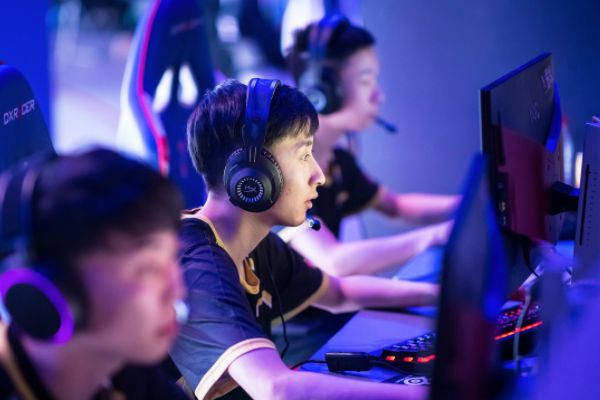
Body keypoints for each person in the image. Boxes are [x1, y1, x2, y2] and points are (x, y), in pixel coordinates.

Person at [169, 78, 436, 399]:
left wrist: (445, 296)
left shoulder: (254, 247)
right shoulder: (196, 263)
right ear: (252, 174)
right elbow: (274, 388)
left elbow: (339, 293)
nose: (319, 175)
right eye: (303, 154)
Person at [0, 149, 188, 400]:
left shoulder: (128, 372)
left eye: (172, 258)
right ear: (52, 291)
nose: (177, 290)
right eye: (147, 269)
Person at [283, 16, 460, 277]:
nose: (379, 96)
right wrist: (436, 236)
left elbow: (397, 206)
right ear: (321, 93)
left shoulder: (337, 161)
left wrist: (471, 203)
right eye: (366, 82)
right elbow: (333, 261)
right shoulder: (285, 171)